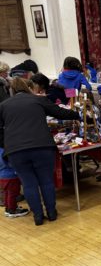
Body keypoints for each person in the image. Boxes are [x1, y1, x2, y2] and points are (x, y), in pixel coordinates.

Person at [0, 78, 79, 225]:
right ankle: (52, 213)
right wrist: (78, 114)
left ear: (11, 90)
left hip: (16, 151)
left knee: (29, 184)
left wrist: (6, 143)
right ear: (28, 87)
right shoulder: (37, 100)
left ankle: (37, 216)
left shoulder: (3, 106)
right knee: (46, 181)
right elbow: (60, 113)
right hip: (42, 147)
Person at [0, 146, 28, 218]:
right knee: (13, 194)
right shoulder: (5, 151)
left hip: (2, 176)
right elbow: (10, 163)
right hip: (10, 175)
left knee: (7, 193)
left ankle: (8, 208)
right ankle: (12, 210)